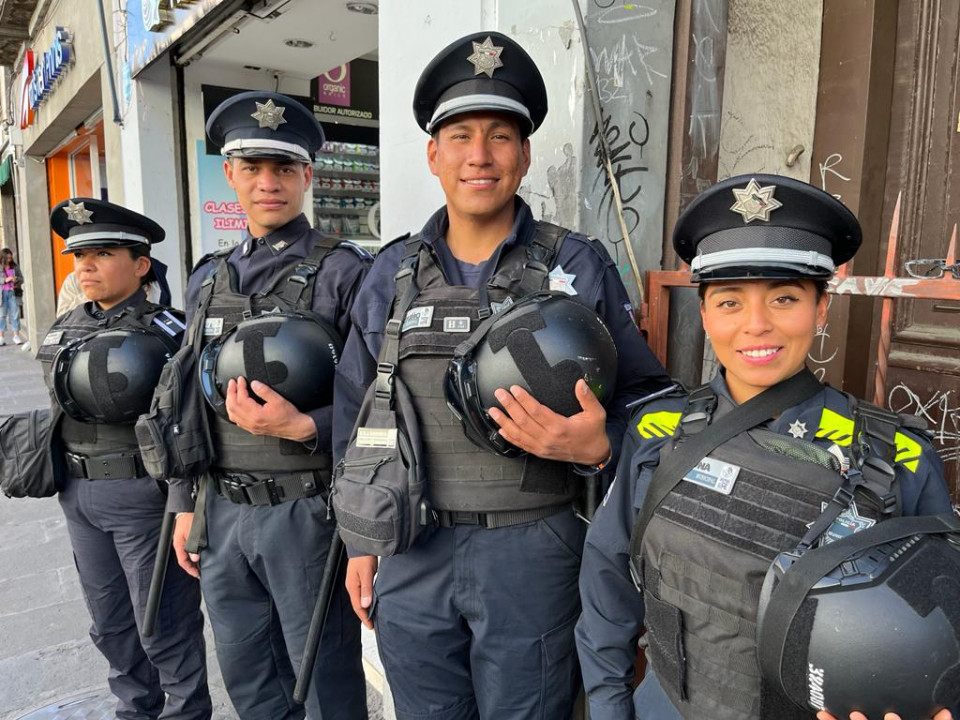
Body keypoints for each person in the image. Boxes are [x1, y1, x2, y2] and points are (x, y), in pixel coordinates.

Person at [334, 31, 670, 720]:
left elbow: (656, 404)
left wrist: (602, 444)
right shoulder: (391, 276)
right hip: (413, 548)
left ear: (524, 155)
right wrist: (360, 541)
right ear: (433, 154)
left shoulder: (577, 267)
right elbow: (356, 411)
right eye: (459, 135)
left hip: (536, 552)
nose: (479, 155)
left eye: (499, 136)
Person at [575, 174, 956, 720]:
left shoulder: (897, 459)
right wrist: (611, 707)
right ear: (704, 314)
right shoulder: (658, 434)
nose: (756, 326)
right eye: (729, 302)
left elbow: (940, 632)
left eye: (784, 298)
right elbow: (608, 582)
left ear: (822, 308)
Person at [170, 91, 370, 720]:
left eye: (284, 169)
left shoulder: (345, 273)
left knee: (325, 679)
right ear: (229, 174)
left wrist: (307, 425)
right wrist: (183, 503)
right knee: (248, 674)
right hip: (221, 511)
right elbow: (184, 396)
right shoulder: (208, 278)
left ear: (307, 176)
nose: (268, 184)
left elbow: (379, 402)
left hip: (306, 512)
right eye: (252, 168)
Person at [39, 198, 211, 719]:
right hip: (80, 496)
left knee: (163, 623)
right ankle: (134, 711)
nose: (85, 265)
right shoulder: (63, 329)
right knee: (110, 623)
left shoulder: (170, 334)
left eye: (102, 253)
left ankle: (185, 712)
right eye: (79, 255)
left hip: (143, 496)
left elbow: (189, 424)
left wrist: (185, 503)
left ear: (140, 264)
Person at [0, 247, 24, 345]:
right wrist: (5, 280)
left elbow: (22, 279)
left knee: (15, 315)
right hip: (2, 295)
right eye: (8, 258)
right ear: (3, 258)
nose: (10, 260)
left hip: (13, 293)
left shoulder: (15, 266)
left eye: (11, 258)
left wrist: (16, 279)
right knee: (1, 316)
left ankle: (16, 336)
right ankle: (1, 337)